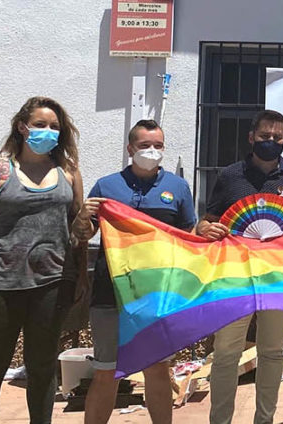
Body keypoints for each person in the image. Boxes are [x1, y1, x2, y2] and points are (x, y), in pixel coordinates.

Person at [0, 96, 86, 424]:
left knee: (44, 369)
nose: (48, 131)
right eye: (41, 124)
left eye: (55, 127)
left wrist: (80, 275)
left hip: (52, 285)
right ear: (22, 127)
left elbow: (77, 228)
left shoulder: (69, 172)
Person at [194, 109, 283, 424]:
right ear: (251, 138)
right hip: (234, 276)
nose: (271, 142)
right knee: (225, 352)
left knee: (272, 352)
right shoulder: (230, 176)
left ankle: (265, 419)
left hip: (278, 276)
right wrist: (203, 229)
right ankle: (220, 420)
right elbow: (206, 221)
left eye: (278, 137)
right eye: (265, 136)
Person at [81, 120, 196, 424]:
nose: (152, 151)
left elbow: (189, 235)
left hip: (157, 297)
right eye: (145, 145)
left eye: (158, 145)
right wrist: (82, 217)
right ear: (130, 148)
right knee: (107, 372)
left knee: (157, 370)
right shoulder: (107, 186)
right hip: (110, 293)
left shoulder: (178, 187)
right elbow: (83, 233)